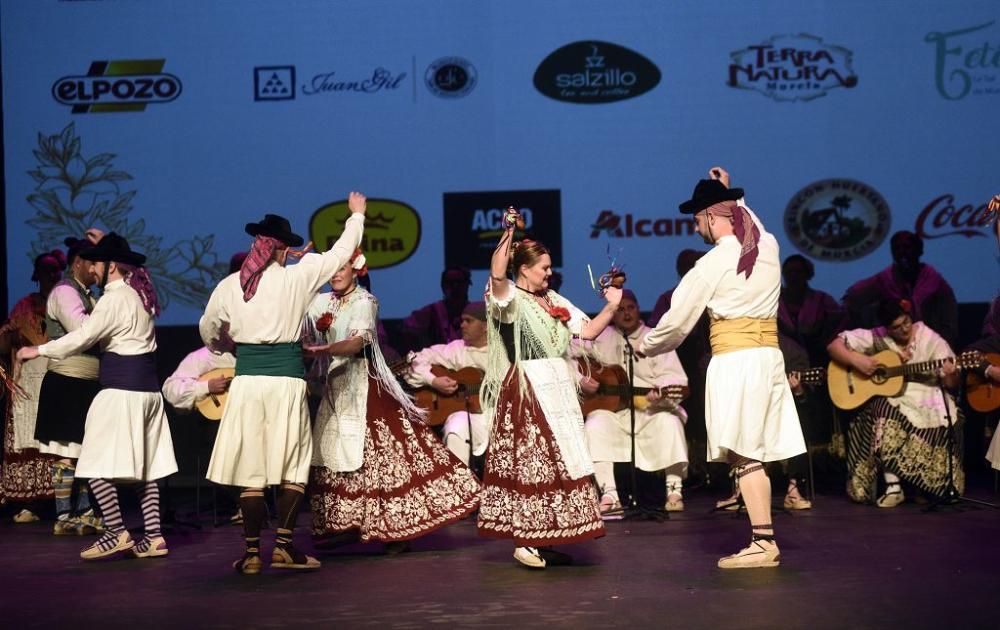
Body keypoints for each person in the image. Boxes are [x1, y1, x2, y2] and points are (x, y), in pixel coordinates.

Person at [640, 168, 805, 569]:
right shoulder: (767, 246)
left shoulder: (712, 264)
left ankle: (764, 543)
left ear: (713, 217)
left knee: (744, 453)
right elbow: (749, 220)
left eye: (698, 220)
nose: (696, 228)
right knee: (753, 453)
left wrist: (647, 345)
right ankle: (763, 538)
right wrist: (733, 193)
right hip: (768, 359)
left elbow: (678, 321)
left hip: (737, 363)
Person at [200, 195, 366, 575]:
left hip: (248, 383)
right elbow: (341, 251)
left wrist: (223, 344)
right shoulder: (298, 276)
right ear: (284, 249)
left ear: (257, 245)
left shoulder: (231, 286)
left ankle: (253, 554)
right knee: (292, 466)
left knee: (251, 470)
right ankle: (285, 547)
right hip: (286, 382)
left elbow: (209, 329)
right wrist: (356, 215)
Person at [17, 234, 178, 560]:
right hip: (147, 393)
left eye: (97, 262)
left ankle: (117, 531)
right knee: (143, 469)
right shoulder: (140, 297)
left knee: (91, 462)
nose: (91, 267)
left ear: (112, 267)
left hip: (121, 392)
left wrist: (37, 349)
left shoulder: (114, 299)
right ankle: (154, 536)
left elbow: (82, 336)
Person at [306, 251, 480, 550]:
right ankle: (349, 522)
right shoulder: (323, 302)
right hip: (335, 385)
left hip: (365, 383)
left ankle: (394, 530)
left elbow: (358, 341)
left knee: (380, 454)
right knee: (335, 451)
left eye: (342, 268)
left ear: (356, 271)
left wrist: (323, 350)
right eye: (331, 269)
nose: (335, 274)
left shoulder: (365, 302)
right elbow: (299, 307)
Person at [478, 208, 622, 569]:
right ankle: (525, 540)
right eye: (543, 267)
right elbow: (497, 271)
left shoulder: (554, 299)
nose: (549, 272)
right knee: (534, 464)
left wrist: (613, 306)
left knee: (560, 462)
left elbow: (587, 331)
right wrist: (509, 231)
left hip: (558, 386)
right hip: (529, 386)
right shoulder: (508, 297)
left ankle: (546, 537)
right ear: (524, 268)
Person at [827, 298, 961, 506]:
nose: (904, 329)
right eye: (896, 328)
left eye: (906, 322)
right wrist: (857, 360)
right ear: (887, 328)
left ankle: (925, 486)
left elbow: (952, 383)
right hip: (895, 397)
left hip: (927, 396)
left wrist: (949, 374)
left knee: (936, 419)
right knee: (882, 407)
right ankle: (893, 487)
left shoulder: (931, 339)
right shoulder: (876, 336)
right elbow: (834, 346)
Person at [576, 289, 689, 515]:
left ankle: (674, 490)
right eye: (620, 309)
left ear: (638, 309)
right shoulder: (601, 336)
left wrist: (661, 391)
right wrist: (581, 379)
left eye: (631, 308)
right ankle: (609, 493)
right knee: (595, 424)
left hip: (650, 409)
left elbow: (678, 380)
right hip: (615, 412)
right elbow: (568, 355)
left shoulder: (655, 337)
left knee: (669, 423)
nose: (626, 314)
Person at [33, 234, 106, 536]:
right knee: (67, 449)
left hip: (87, 382)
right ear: (79, 263)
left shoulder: (89, 293)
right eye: (93, 263)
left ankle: (86, 510)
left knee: (87, 449)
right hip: (67, 380)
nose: (97, 269)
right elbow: (82, 330)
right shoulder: (65, 292)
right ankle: (64, 515)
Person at [0, 252, 63, 521]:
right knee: (28, 438)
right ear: (37, 275)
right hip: (28, 382)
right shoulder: (24, 306)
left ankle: (63, 502)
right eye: (45, 270)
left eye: (55, 270)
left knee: (57, 439)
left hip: (56, 375)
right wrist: (9, 336)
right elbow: (4, 344)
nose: (50, 276)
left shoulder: (65, 304)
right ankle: (29, 502)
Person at [404, 301, 491, 466]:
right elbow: (415, 360)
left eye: (468, 321)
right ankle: (460, 485)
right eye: (462, 320)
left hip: (495, 417)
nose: (462, 325)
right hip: (470, 418)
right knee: (456, 425)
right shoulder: (457, 349)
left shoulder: (501, 351)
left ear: (485, 326)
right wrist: (433, 381)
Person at [842, 230, 959, 347]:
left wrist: (941, 347)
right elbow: (852, 297)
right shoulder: (885, 280)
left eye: (907, 247)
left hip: (930, 346)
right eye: (896, 248)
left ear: (919, 251)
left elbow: (949, 320)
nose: (901, 252)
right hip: (896, 349)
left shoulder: (934, 281)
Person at [778, 254, 842, 367]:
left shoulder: (823, 300)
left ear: (808, 274)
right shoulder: (773, 300)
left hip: (818, 362)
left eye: (798, 272)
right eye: (789, 272)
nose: (793, 276)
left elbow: (840, 327)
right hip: (783, 361)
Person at [400, 267, 471, 352]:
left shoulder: (475, 312)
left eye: (459, 283)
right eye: (450, 283)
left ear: (467, 285)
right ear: (443, 287)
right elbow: (405, 327)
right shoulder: (433, 311)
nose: (455, 287)